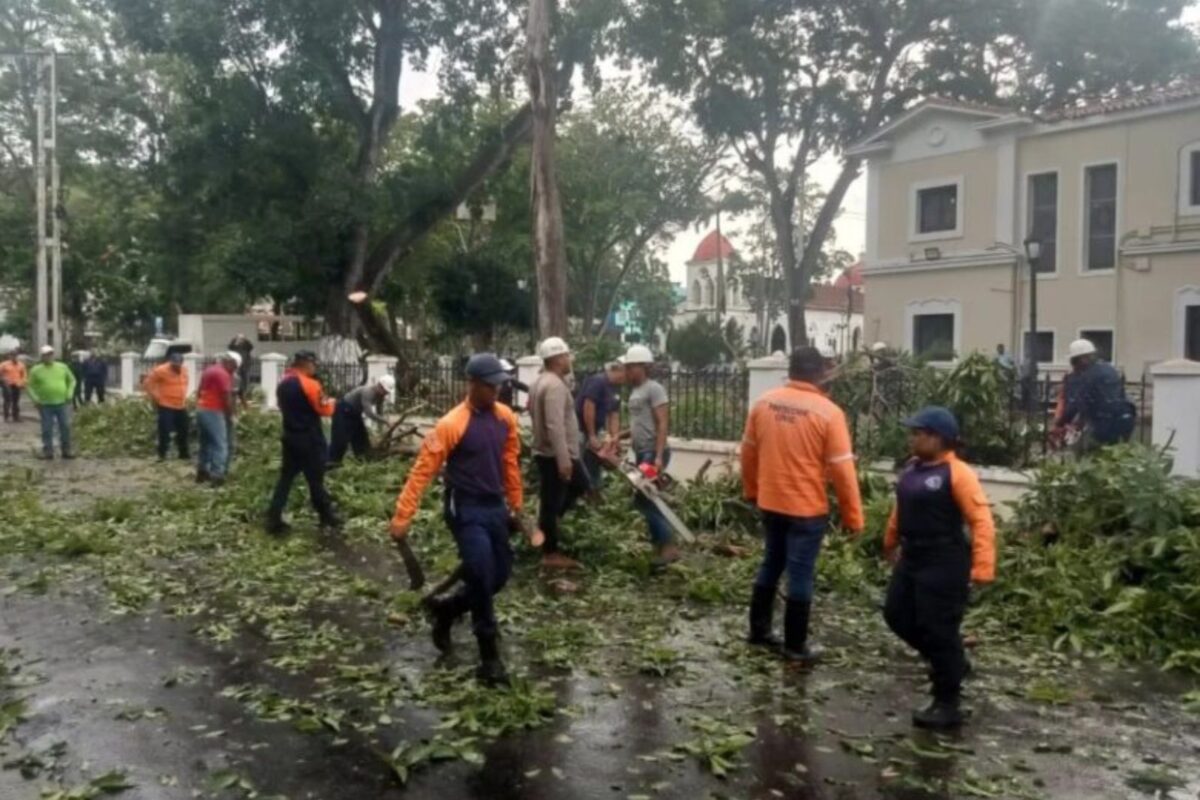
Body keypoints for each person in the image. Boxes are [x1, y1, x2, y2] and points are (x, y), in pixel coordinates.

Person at [389, 354, 523, 686]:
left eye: (499, 384)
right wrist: (403, 515)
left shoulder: (505, 417)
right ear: (472, 384)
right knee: (480, 572)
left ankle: (447, 610)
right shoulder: (452, 424)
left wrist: (516, 505)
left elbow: (510, 461)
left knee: (499, 575)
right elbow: (423, 471)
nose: (497, 390)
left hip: (494, 506)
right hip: (464, 507)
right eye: (491, 385)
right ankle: (489, 657)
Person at [741, 346, 864, 664]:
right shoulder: (829, 413)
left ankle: (758, 631)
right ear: (820, 373)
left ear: (791, 370)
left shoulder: (764, 404)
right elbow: (843, 471)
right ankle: (795, 645)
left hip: (771, 501)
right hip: (806, 509)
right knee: (800, 573)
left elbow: (748, 453)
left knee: (771, 563)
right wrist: (853, 518)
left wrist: (752, 491)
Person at [882, 406, 995, 730]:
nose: (911, 439)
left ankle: (947, 703)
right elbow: (900, 510)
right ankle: (953, 660)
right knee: (896, 615)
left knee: (938, 628)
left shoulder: (958, 473)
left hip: (944, 560)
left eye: (918, 434)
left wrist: (983, 567)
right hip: (912, 557)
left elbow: (981, 521)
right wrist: (889, 543)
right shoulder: (912, 469)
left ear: (937, 438)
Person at [529, 337, 590, 570]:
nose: (569, 360)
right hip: (556, 454)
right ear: (557, 359)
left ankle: (547, 526)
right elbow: (554, 425)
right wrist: (564, 460)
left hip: (546, 452)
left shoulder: (539, 382)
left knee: (555, 498)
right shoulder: (554, 385)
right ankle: (550, 551)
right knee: (565, 494)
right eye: (566, 355)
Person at [266, 351, 341, 535]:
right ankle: (327, 516)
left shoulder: (283, 384)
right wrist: (332, 402)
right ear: (306, 363)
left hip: (290, 437)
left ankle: (273, 517)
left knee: (285, 479)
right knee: (315, 479)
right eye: (314, 364)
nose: (315, 367)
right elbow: (325, 410)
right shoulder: (310, 384)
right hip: (310, 439)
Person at [623, 344, 677, 569]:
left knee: (644, 499)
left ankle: (668, 546)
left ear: (643, 367)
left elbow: (662, 423)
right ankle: (660, 544)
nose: (627, 371)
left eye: (631, 367)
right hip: (641, 452)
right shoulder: (635, 392)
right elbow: (637, 424)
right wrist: (618, 436)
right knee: (646, 498)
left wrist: (658, 457)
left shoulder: (654, 389)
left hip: (652, 452)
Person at [1052, 338, 1136, 453]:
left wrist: (1059, 424)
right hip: (1125, 418)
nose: (1073, 365)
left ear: (1082, 359)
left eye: (1074, 361)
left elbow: (1074, 404)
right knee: (1117, 455)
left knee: (1090, 455)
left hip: (1104, 424)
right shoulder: (1109, 369)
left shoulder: (1083, 376)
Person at [575, 360, 624, 493]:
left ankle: (594, 490)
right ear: (617, 370)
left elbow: (614, 414)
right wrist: (591, 435)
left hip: (597, 430)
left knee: (595, 462)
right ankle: (583, 492)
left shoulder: (616, 388)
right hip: (581, 429)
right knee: (581, 463)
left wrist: (614, 438)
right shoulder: (598, 382)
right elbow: (588, 407)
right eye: (625, 373)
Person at [328, 375, 395, 465]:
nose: (386, 393)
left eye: (387, 392)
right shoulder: (368, 392)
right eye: (385, 391)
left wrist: (384, 424)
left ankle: (364, 463)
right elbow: (369, 413)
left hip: (355, 413)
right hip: (343, 411)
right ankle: (331, 464)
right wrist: (385, 421)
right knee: (340, 440)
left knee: (361, 440)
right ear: (380, 385)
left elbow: (379, 410)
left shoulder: (380, 395)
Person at [196, 352, 240, 485]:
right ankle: (217, 476)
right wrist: (231, 415)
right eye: (234, 367)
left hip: (202, 409)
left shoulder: (209, 370)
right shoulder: (222, 374)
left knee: (205, 443)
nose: (234, 371)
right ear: (231, 362)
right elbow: (226, 398)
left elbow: (199, 391)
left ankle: (202, 472)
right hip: (214, 410)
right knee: (220, 444)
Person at [27, 346, 76, 459]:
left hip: (62, 402)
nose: (48, 357)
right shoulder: (36, 370)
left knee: (65, 426)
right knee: (47, 428)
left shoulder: (62, 367)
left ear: (53, 355)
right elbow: (29, 386)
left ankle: (66, 450)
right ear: (42, 357)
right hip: (45, 404)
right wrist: (35, 399)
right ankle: (48, 451)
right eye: (46, 355)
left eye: (50, 354)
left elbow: (72, 380)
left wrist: (70, 393)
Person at [143, 353, 190, 461]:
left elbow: (185, 383)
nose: (176, 367)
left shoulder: (184, 370)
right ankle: (162, 454)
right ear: (170, 362)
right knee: (165, 430)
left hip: (181, 405)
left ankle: (183, 453)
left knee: (184, 429)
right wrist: (157, 397)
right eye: (174, 365)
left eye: (178, 365)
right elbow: (147, 384)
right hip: (166, 405)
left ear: (181, 363)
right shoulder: (160, 370)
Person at [0, 352, 27, 422]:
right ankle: (6, 417)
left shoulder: (21, 365)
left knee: (16, 401)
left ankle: (16, 417)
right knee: (8, 400)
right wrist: (3, 379)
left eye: (15, 356)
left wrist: (23, 382)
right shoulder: (4, 364)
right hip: (7, 385)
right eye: (12, 356)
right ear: (9, 356)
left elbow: (24, 375)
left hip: (17, 384)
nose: (14, 357)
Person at [228, 334, 254, 401]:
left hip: (245, 365)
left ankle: (244, 393)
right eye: (239, 338)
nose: (240, 340)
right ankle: (237, 393)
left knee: (245, 380)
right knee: (237, 380)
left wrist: (245, 339)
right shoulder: (234, 346)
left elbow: (251, 346)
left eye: (241, 339)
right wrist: (235, 339)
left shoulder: (246, 346)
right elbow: (229, 347)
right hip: (237, 366)